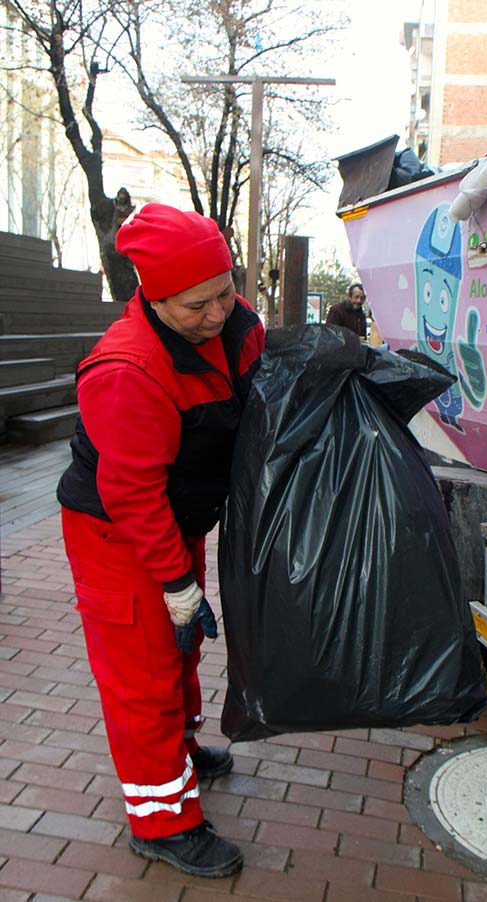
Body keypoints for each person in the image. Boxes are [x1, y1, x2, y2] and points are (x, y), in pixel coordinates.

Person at [57, 203, 265, 878]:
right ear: (151, 294)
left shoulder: (235, 325)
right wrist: (176, 584)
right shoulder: (127, 370)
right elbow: (132, 493)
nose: (216, 316)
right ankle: (161, 821)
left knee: (180, 650)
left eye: (224, 292)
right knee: (141, 677)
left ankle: (180, 752)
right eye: (195, 305)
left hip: (178, 520)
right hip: (119, 535)